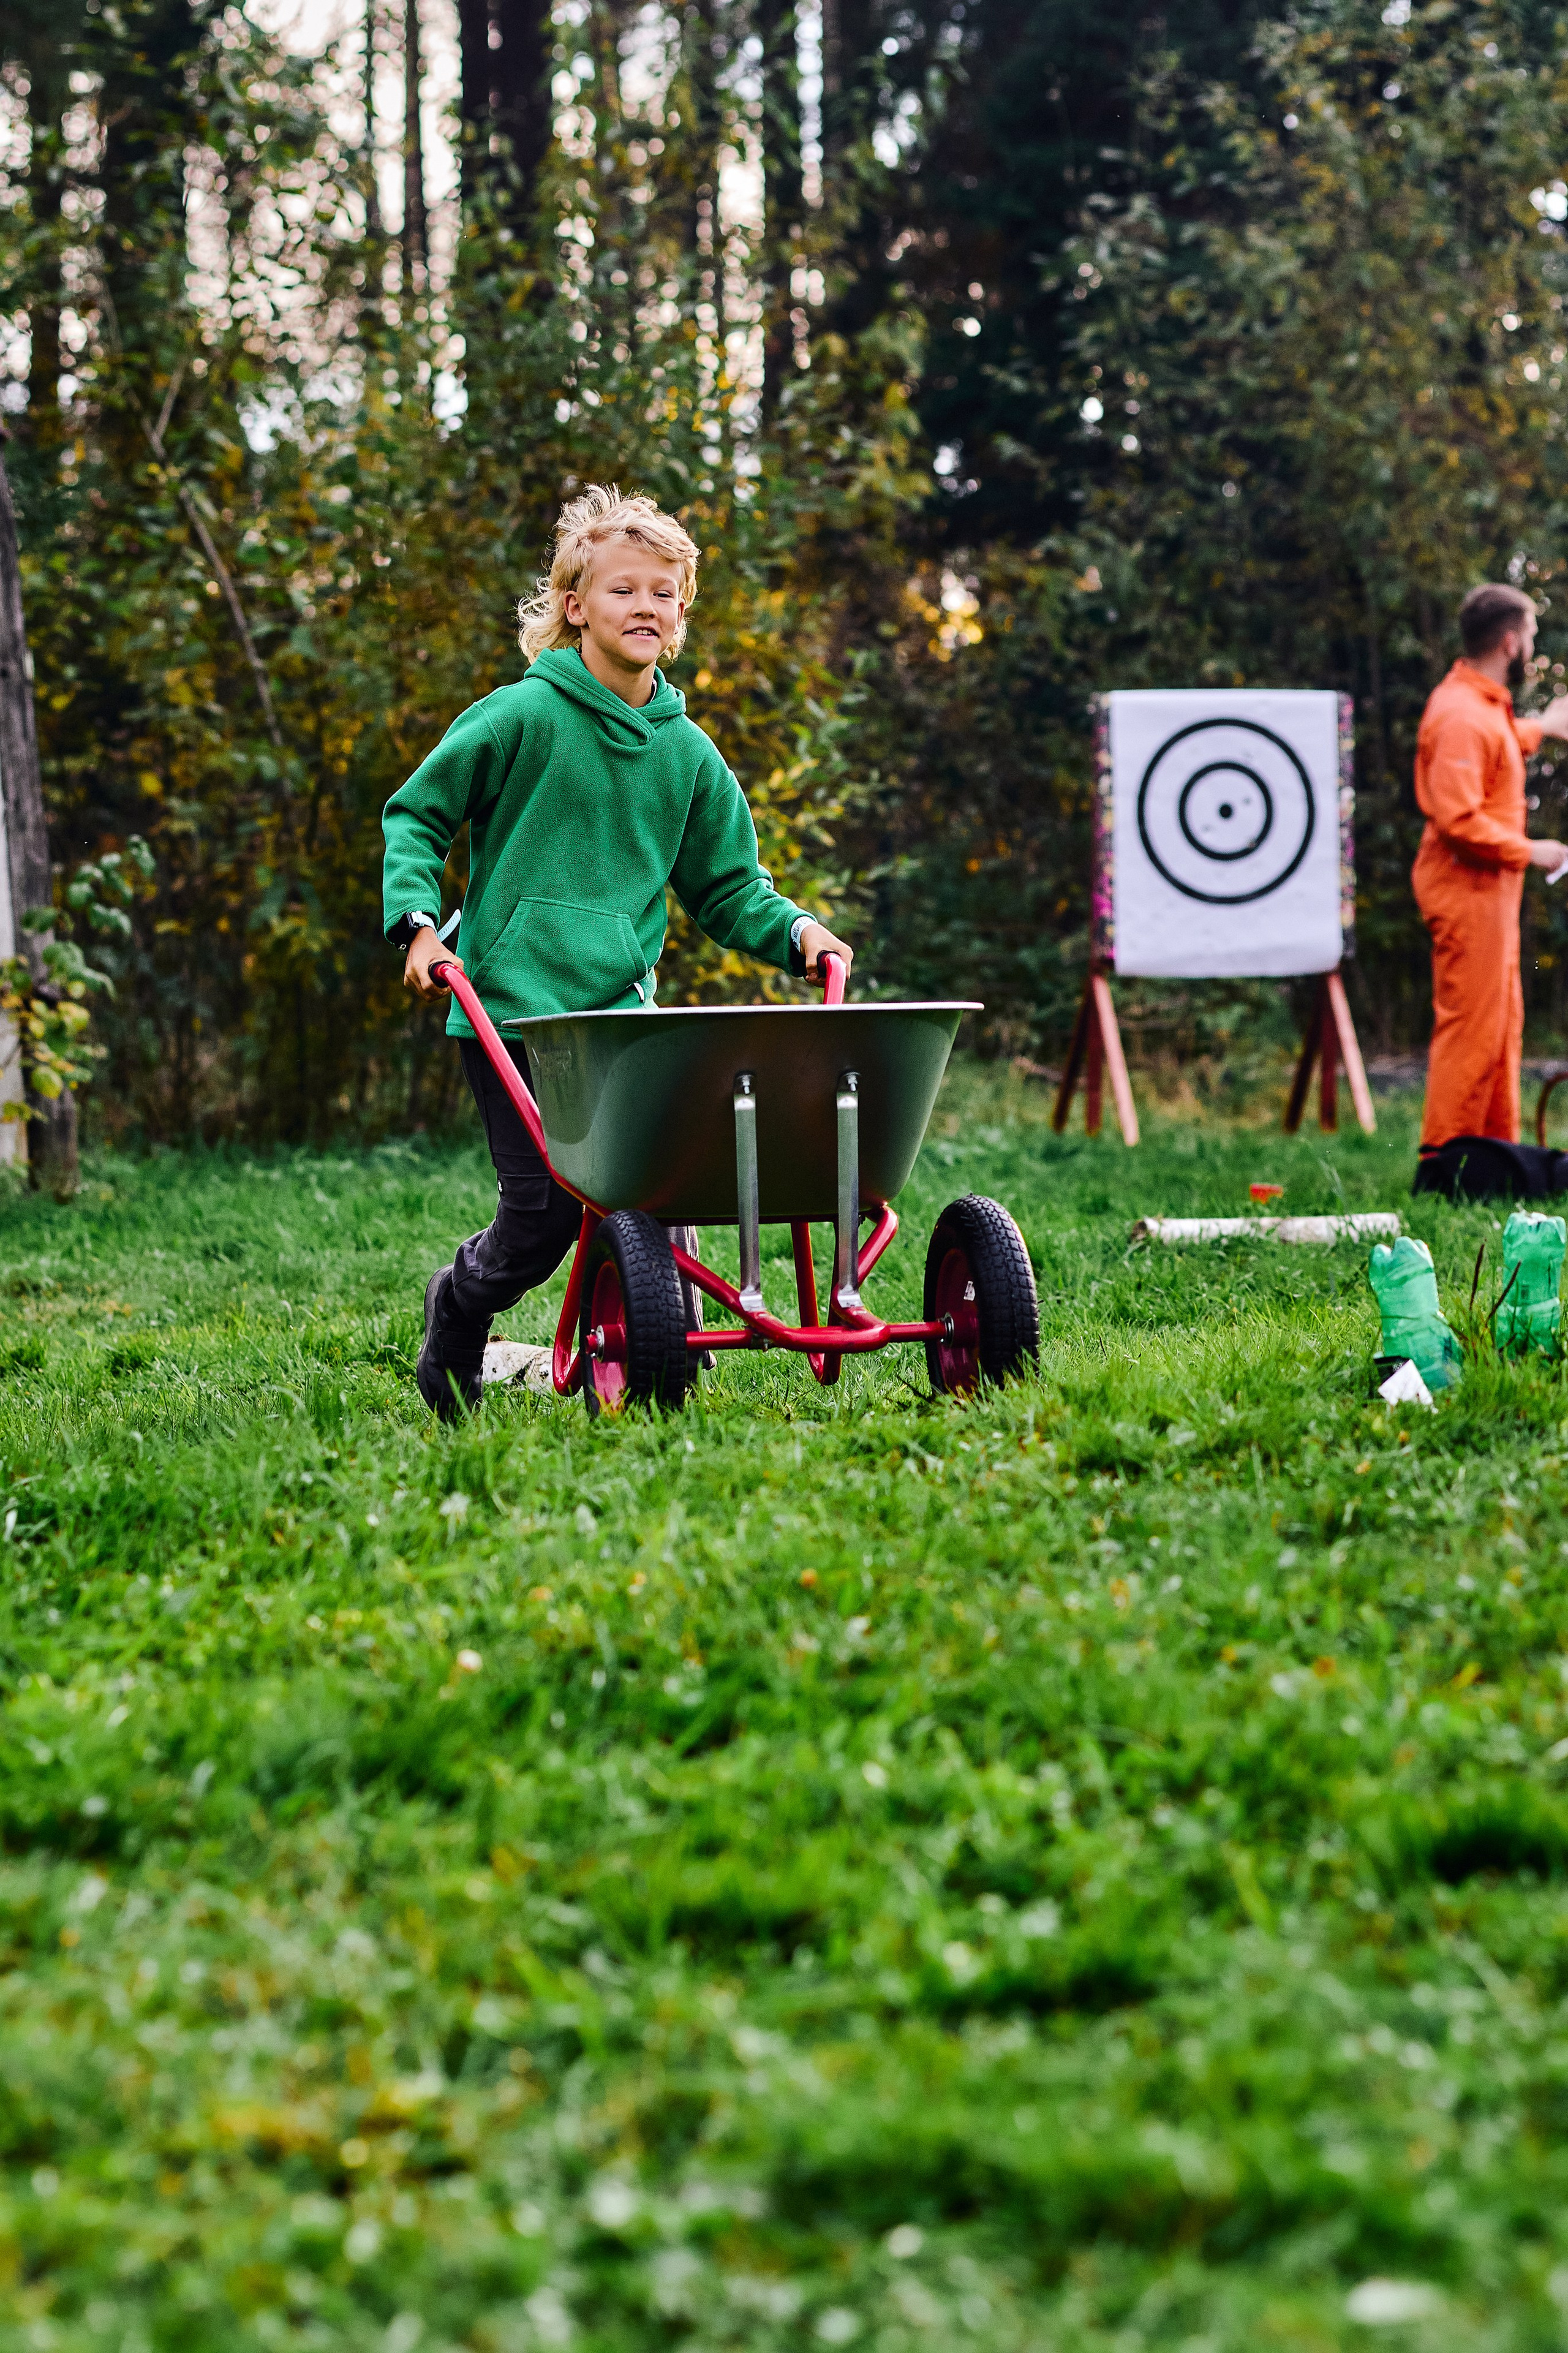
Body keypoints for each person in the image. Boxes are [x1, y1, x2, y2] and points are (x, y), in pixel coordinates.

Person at [383, 485, 854, 1418]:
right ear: (574, 606)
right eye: (622, 590)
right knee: (543, 1217)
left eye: (664, 593)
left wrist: (796, 929)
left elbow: (728, 888)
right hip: (511, 1012)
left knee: (652, 1192)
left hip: (617, 1024)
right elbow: (417, 815)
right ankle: (461, 1304)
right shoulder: (520, 716)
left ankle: (652, 1339)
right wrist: (418, 924)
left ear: (681, 615)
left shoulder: (687, 756)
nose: (645, 607)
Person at [1414, 581, 1568, 1155]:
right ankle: (1445, 1158)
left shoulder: (1481, 707)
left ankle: (1492, 1153)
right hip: (1464, 890)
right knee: (1471, 1025)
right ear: (1510, 641)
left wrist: (1544, 728)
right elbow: (1458, 818)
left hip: (1490, 895)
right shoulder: (1458, 714)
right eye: (1530, 634)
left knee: (1501, 1025)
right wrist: (1531, 850)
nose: (1532, 644)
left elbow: (1497, 744)